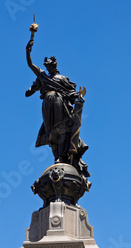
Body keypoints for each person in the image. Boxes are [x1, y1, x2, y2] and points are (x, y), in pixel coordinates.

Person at [25, 40, 90, 179]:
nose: (49, 69)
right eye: (47, 67)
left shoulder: (62, 78)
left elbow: (71, 93)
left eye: (51, 66)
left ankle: (60, 156)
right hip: (47, 104)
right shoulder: (43, 76)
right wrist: (27, 52)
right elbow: (30, 65)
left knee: (60, 129)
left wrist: (78, 98)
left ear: (55, 66)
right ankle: (57, 155)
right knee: (50, 132)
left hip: (59, 102)